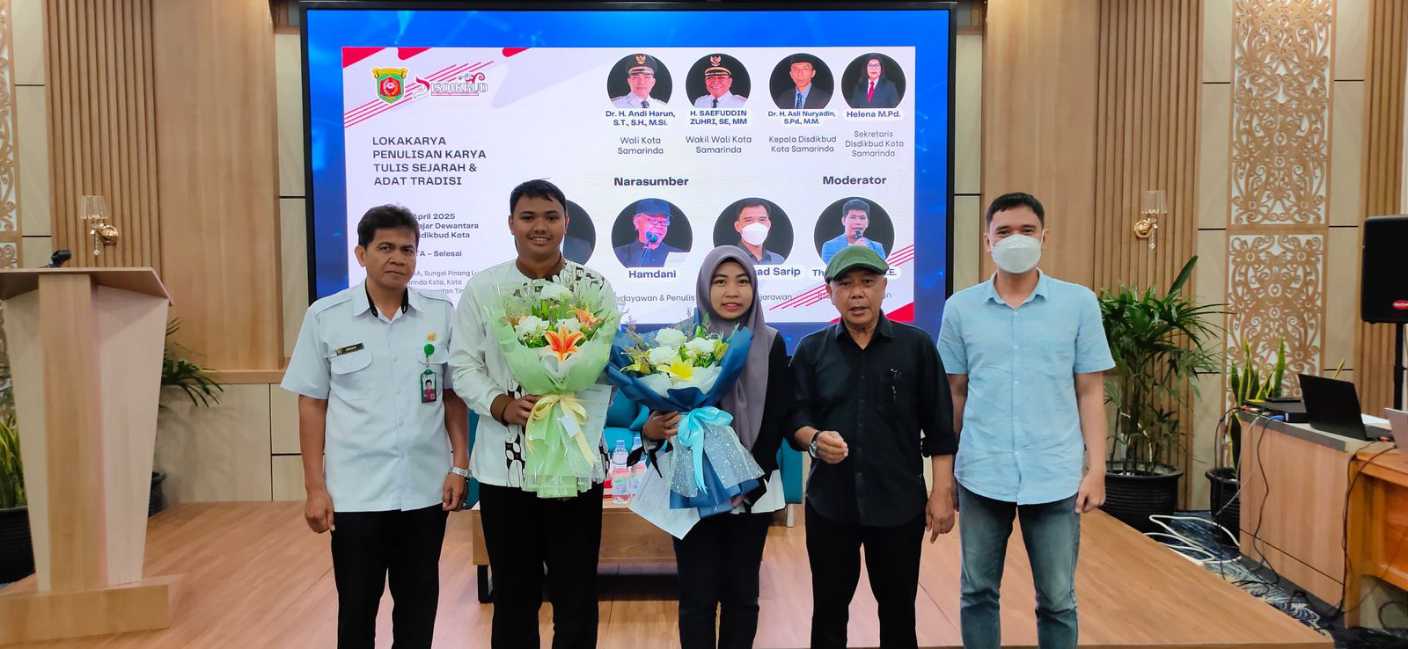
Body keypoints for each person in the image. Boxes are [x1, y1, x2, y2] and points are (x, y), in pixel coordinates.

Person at [281, 204, 469, 649]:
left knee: (418, 610)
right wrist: (314, 488)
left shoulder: (440, 314)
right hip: (356, 495)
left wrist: (459, 466)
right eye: (385, 247)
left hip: (423, 490)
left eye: (407, 249)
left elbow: (453, 396)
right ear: (361, 254)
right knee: (356, 612)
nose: (398, 258)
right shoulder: (326, 316)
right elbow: (312, 405)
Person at [937, 192, 1114, 649]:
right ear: (987, 241)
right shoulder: (960, 308)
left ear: (1044, 237)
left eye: (1027, 230)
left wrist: (1097, 468)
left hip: (1055, 473)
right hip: (982, 471)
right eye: (1004, 231)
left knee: (1057, 599)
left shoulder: (1078, 303)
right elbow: (954, 393)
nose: (1016, 239)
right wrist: (946, 473)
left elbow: (1090, 391)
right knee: (977, 593)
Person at [449, 179, 616, 649]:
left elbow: (607, 361)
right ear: (511, 224)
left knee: (576, 591)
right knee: (513, 593)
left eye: (550, 216)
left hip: (575, 462)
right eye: (528, 217)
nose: (539, 226)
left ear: (566, 222)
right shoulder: (484, 288)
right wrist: (501, 404)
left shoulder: (593, 287)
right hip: (506, 469)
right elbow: (462, 365)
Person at [790, 245, 957, 649]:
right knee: (829, 613)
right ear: (829, 292)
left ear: (884, 288)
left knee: (898, 613)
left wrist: (942, 493)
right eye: (845, 284)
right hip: (831, 505)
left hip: (898, 505)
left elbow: (940, 426)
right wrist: (815, 440)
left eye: (867, 282)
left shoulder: (916, 347)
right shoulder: (812, 350)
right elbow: (794, 419)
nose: (857, 293)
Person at [639, 246, 792, 649]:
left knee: (743, 595)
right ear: (705, 287)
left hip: (754, 488)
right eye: (720, 281)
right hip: (696, 487)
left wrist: (747, 481)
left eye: (742, 281)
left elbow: (777, 415)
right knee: (696, 596)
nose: (732, 291)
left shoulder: (771, 342)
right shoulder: (680, 341)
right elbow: (659, 417)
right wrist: (653, 429)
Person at [614, 199, 684, 267]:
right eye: (653, 221)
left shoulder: (678, 256)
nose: (659, 226)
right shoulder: (618, 254)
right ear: (636, 222)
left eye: (664, 222)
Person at [819, 199, 887, 263]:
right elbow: (831, 269)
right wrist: (852, 251)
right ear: (843, 221)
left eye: (862, 218)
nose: (858, 222)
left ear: (867, 223)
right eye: (853, 217)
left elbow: (881, 269)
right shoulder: (830, 246)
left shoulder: (877, 247)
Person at [731, 200, 785, 265]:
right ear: (737, 226)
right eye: (749, 220)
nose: (756, 225)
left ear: (769, 224)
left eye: (762, 220)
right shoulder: (729, 259)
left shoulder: (778, 260)